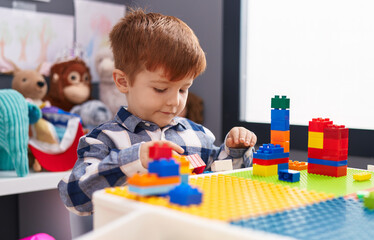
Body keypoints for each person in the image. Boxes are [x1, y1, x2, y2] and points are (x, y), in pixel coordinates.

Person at [58, 9, 257, 216]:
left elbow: (223, 179)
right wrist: (135, 159)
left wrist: (235, 150)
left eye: (183, 89)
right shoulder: (103, 140)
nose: (175, 101)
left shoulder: (198, 136)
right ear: (123, 82)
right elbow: (74, 197)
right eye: (160, 89)